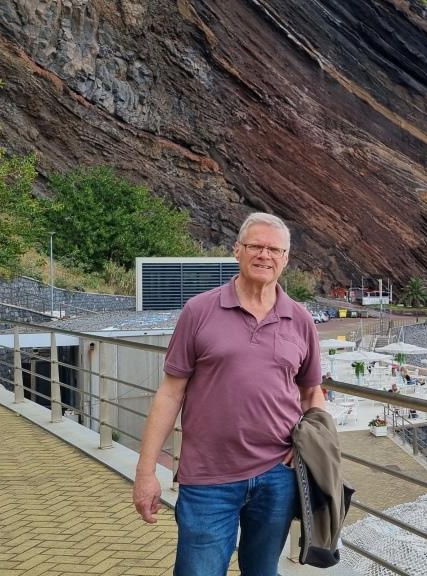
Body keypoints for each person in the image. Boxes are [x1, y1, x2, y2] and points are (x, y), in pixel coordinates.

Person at [132, 212, 323, 576]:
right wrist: (146, 472)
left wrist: (309, 446)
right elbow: (170, 394)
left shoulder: (300, 319)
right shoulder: (199, 310)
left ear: (285, 259)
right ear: (237, 250)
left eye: (274, 250)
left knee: (263, 571)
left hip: (277, 475)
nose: (264, 255)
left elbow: (312, 392)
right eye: (256, 246)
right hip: (208, 477)